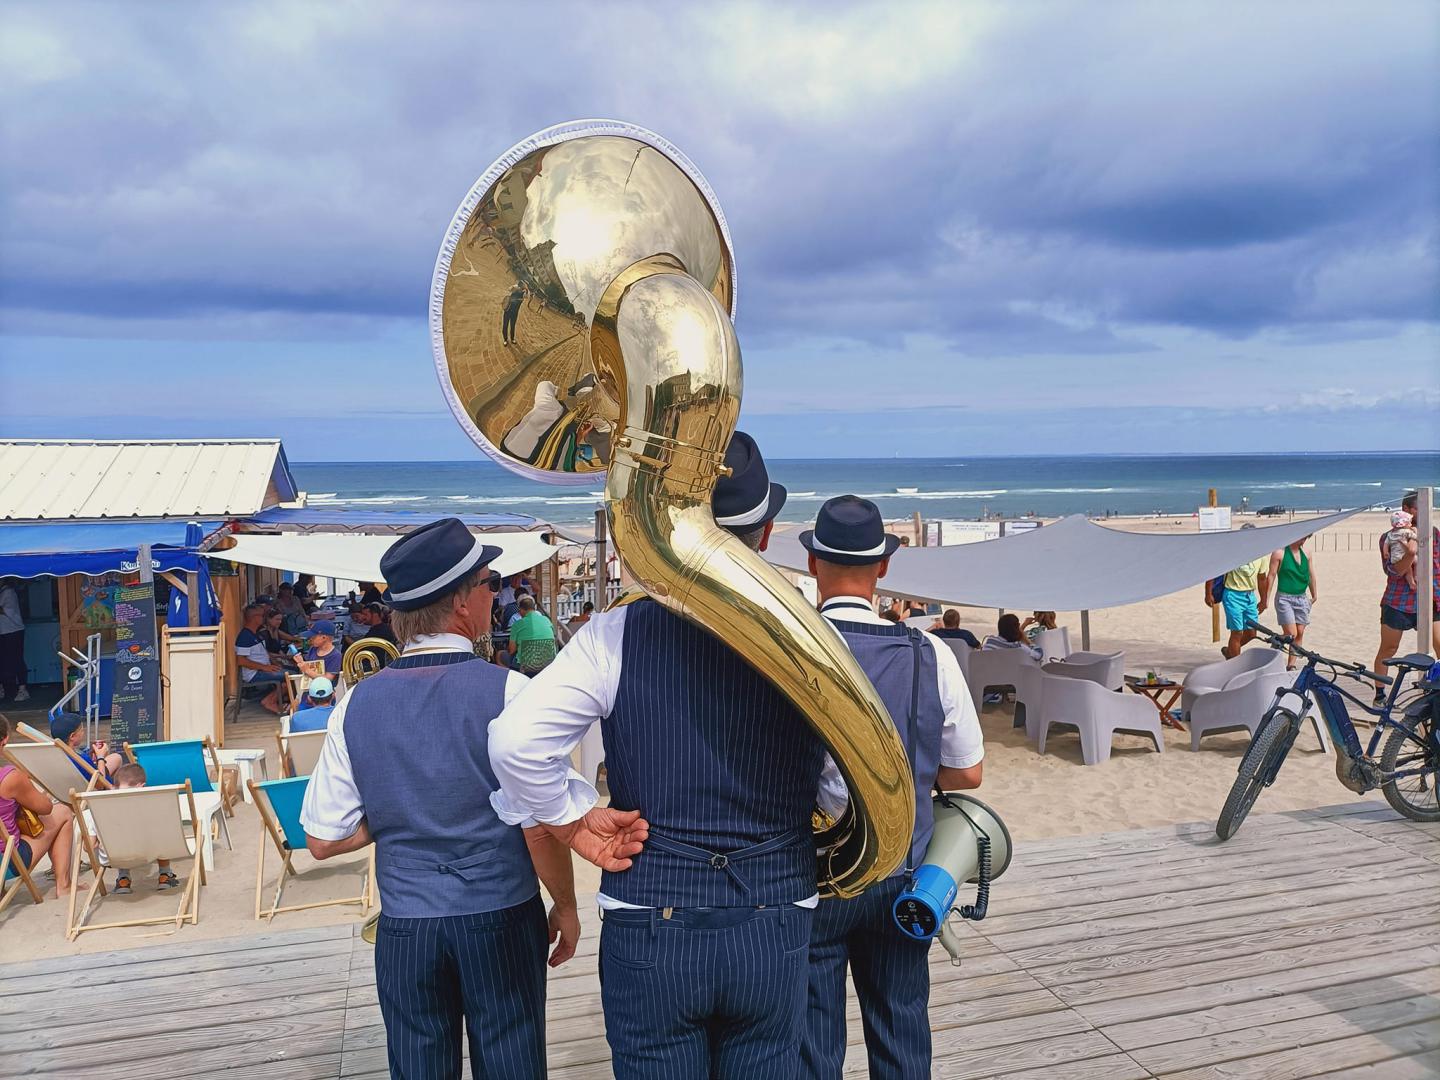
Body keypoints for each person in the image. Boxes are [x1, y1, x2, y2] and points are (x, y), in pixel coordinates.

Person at [488, 431, 825, 1080]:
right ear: (768, 530)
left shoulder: (617, 630)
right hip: (775, 914)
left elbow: (514, 742)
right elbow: (840, 786)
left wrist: (571, 820)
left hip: (651, 919)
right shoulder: (811, 633)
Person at [301, 517, 589, 1078]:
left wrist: (392, 813)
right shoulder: (511, 691)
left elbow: (322, 838)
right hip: (500, 915)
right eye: (489, 583)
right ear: (461, 601)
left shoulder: (355, 705)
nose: (494, 594)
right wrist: (567, 905)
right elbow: (538, 826)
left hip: (407, 926)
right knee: (512, 1061)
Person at [798, 497, 985, 1080]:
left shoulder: (792, 648)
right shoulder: (927, 653)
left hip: (812, 874)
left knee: (812, 1042)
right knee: (901, 1028)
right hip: (901, 874)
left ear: (813, 566)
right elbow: (968, 773)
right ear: (883, 568)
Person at [1374, 491, 1440, 704]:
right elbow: (1394, 571)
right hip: (1398, 600)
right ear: (1407, 510)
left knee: (1439, 643)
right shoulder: (1389, 537)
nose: (1424, 513)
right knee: (1389, 647)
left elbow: (1436, 566)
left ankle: (1435, 691)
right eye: (1419, 509)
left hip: (1432, 597)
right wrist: (1411, 553)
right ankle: (1380, 693)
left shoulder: (1433, 533)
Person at [0, 713, 75, 897]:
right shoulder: (10, 778)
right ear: (5, 740)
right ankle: (63, 886)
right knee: (63, 812)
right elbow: (45, 808)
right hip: (7, 863)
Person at [110, 762, 177, 894]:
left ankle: (123, 879)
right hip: (150, 848)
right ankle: (164, 875)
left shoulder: (107, 806)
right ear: (142, 786)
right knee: (163, 827)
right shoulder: (152, 805)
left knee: (119, 836)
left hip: (119, 852)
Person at [1268, 535, 1318, 671]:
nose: (1303, 541)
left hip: (1302, 597)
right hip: (1284, 597)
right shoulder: (1279, 553)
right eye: (1301, 538)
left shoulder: (1306, 553)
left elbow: (1311, 574)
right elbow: (1271, 575)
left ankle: (1291, 664)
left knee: (1300, 632)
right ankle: (1277, 640)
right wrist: (1265, 599)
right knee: (1291, 633)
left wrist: (1314, 594)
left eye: (1305, 539)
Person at [1220, 542, 1271, 659]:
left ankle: (1230, 651)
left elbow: (1262, 578)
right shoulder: (1233, 552)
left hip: (1249, 596)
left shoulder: (1261, 555)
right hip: (1232, 594)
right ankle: (1235, 663)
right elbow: (1215, 570)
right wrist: (1208, 592)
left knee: (1252, 633)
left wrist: (1264, 600)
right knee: (1237, 632)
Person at [236, 603, 286, 715]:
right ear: (254, 618)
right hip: (254, 673)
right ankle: (269, 701)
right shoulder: (244, 637)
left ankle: (280, 699)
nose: (264, 618)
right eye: (262, 616)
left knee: (292, 672)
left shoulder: (256, 634)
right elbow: (241, 660)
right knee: (290, 677)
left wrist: (275, 662)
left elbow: (264, 653)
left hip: (264, 668)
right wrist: (265, 667)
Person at [50, 714, 123, 780]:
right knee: (117, 758)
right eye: (81, 730)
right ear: (72, 736)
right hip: (92, 789)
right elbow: (101, 785)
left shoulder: (53, 756)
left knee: (116, 757)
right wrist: (100, 757)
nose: (83, 732)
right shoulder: (81, 760)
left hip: (70, 785)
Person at [507, 595, 557, 675]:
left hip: (526, 667)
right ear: (535, 608)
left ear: (521, 610)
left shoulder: (517, 624)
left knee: (500, 655)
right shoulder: (546, 620)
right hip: (547, 663)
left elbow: (512, 650)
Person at [0, 578, 28, 703]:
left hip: (13, 630)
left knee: (17, 659)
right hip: (3, 631)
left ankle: (22, 689)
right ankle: (2, 688)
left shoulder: (8, 592)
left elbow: (4, 610)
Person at [1384, 510, 1419, 589]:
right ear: (1404, 524)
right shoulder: (1406, 531)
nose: (1411, 524)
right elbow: (1415, 539)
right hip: (1403, 554)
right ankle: (1416, 575)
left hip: (1395, 557)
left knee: (1408, 569)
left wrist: (1385, 552)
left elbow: (1386, 544)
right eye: (1409, 522)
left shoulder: (1390, 534)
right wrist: (1415, 531)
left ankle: (1411, 583)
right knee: (1416, 561)